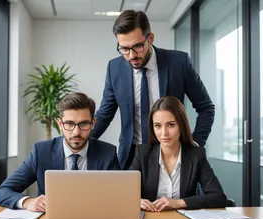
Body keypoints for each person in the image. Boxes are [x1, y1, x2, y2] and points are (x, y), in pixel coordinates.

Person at [91, 10, 215, 170]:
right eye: (124, 49)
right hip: (132, 156)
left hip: (173, 153)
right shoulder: (115, 68)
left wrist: (194, 145)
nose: (131, 56)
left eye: (137, 46)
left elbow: (206, 108)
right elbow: (104, 115)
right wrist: (78, 141)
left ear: (150, 38)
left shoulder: (179, 63)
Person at [0, 92, 121, 212]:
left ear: (93, 124)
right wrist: (28, 202)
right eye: (69, 124)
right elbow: (1, 192)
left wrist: (131, 200)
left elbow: (121, 194)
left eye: (83, 124)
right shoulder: (41, 152)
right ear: (60, 124)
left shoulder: (108, 153)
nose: (76, 132)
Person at [129, 96, 226, 212]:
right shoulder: (142, 153)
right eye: (158, 126)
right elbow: (122, 192)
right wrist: (136, 201)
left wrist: (179, 203)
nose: (164, 133)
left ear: (181, 125)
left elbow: (218, 197)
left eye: (171, 125)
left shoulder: (196, 155)